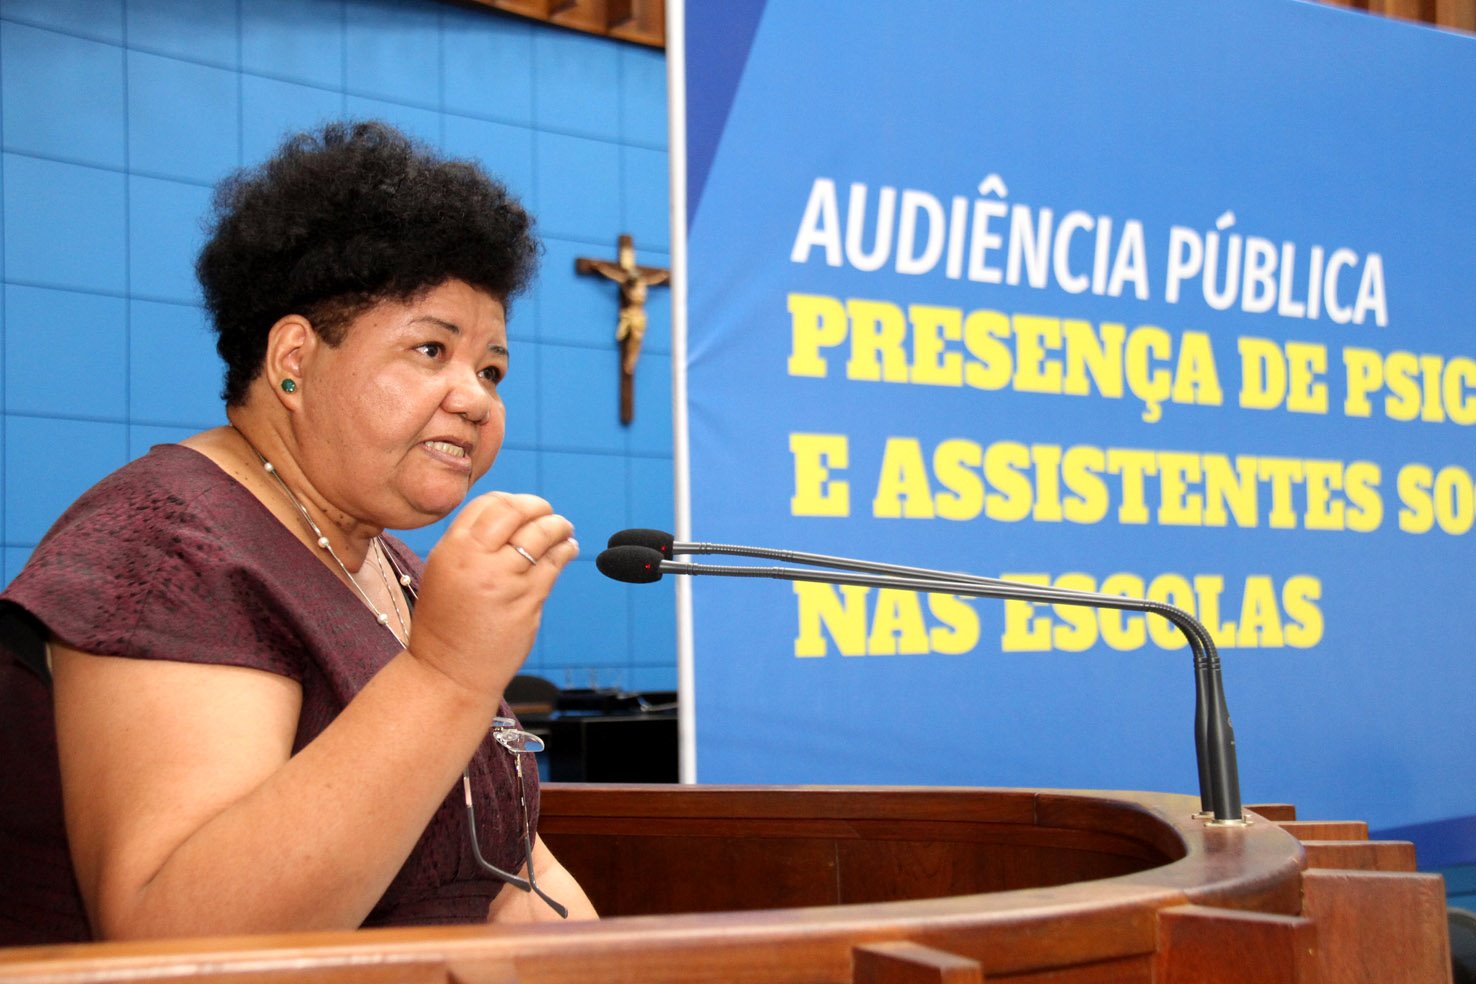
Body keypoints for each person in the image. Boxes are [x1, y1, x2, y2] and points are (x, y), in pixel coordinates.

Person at [0, 120, 597, 944]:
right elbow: (177, 937)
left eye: (490, 368)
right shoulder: (170, 548)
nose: (475, 398)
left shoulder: (388, 562)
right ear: (293, 359)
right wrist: (449, 674)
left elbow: (506, 872)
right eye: (432, 350)